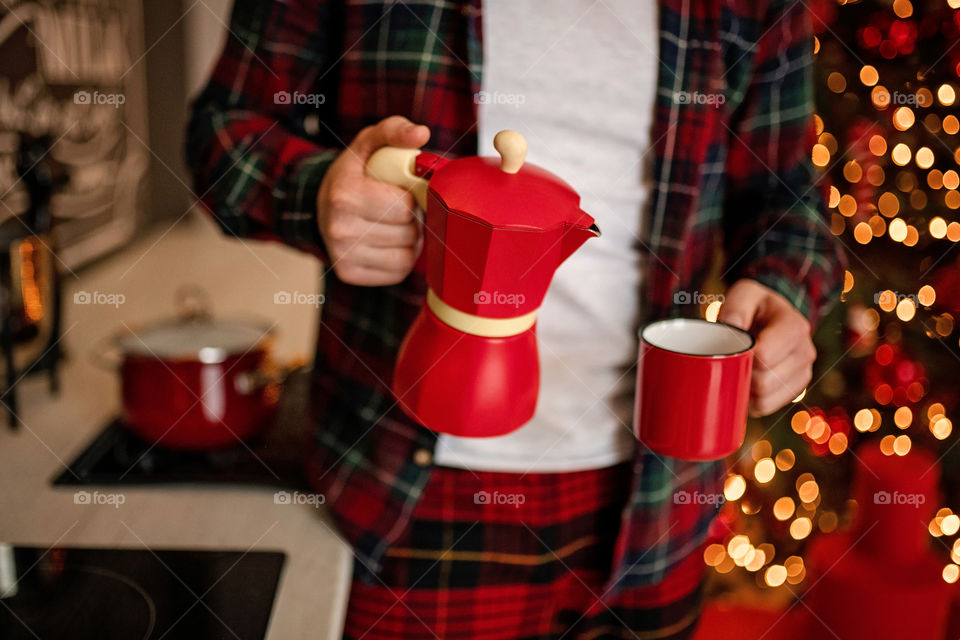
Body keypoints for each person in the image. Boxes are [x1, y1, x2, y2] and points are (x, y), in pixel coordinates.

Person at [187, 0, 845, 637]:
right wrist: (320, 191)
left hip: (655, 505)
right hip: (407, 493)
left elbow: (785, 199)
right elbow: (220, 130)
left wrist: (784, 290)